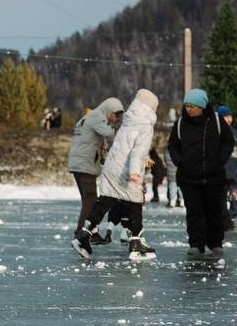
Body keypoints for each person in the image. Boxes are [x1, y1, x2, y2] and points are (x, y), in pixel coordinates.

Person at [73, 89, 159, 260]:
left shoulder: (128, 121)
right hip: (127, 170)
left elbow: (125, 147)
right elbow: (137, 152)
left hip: (112, 168)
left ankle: (84, 235)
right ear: (151, 109)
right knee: (135, 203)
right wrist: (135, 171)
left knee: (105, 200)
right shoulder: (145, 126)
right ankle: (135, 244)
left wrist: (144, 159)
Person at [169, 89, 234, 260]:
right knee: (194, 212)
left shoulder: (217, 121)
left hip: (214, 176)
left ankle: (216, 243)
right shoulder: (181, 123)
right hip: (188, 177)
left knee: (214, 211)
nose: (189, 109)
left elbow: (228, 141)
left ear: (202, 106)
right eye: (187, 106)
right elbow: (173, 145)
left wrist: (220, 160)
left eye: (193, 106)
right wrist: (180, 161)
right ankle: (196, 244)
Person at [67, 97, 124, 245]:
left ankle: (91, 232)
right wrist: (117, 149)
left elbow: (99, 140)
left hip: (80, 163)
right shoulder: (97, 117)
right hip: (84, 164)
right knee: (90, 199)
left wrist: (104, 154)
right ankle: (82, 233)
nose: (115, 119)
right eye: (115, 115)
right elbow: (109, 134)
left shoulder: (93, 117)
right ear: (109, 111)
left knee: (89, 200)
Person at [163, 136, 182, 207]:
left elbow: (165, 159)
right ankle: (181, 200)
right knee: (180, 187)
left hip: (170, 171)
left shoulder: (167, 150)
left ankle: (172, 201)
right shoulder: (179, 149)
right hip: (178, 170)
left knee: (172, 186)